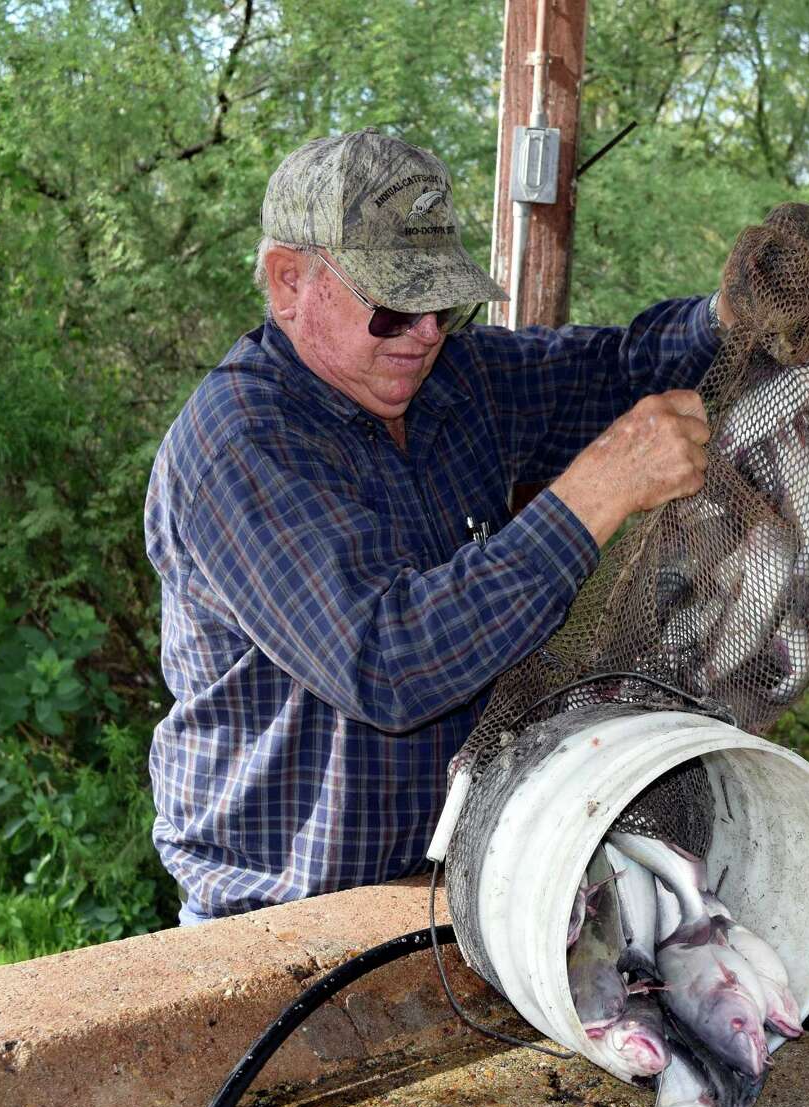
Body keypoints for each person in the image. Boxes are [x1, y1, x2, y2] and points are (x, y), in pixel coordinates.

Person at [145, 127, 733, 924]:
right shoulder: (240, 441)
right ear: (289, 283)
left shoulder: (457, 378)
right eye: (394, 306)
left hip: (460, 893)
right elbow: (387, 661)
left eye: (442, 303)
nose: (425, 333)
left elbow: (618, 370)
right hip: (277, 918)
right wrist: (596, 493)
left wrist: (725, 318)